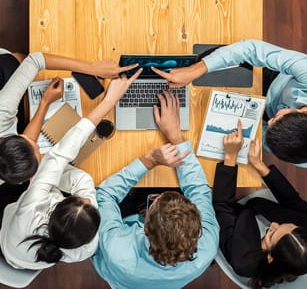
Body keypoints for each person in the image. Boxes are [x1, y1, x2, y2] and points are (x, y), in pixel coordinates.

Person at [0, 69, 143, 270]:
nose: (89, 200)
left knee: (13, 160)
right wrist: (56, 177)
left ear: (56, 208)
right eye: (89, 204)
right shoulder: (86, 246)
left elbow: (59, 155)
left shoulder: (33, 206)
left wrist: (108, 102)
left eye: (80, 201)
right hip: (24, 253)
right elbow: (83, 182)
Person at [0, 51, 137, 194]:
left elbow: (35, 59)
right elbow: (28, 145)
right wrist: (44, 103)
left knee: (18, 59)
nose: (37, 144)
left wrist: (94, 68)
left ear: (14, 138)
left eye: (33, 145)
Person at [91, 91, 220, 289]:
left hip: (118, 263)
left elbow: (104, 194)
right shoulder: (208, 243)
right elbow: (199, 191)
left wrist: (150, 160)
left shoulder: (117, 249)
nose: (157, 196)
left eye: (157, 201)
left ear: (145, 224)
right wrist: (175, 136)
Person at [152, 39, 307, 167]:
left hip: (251, 111)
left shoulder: (305, 157)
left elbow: (263, 135)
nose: (268, 122)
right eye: (277, 118)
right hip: (274, 81)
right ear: (303, 111)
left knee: (198, 120)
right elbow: (251, 48)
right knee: (204, 60)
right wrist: (197, 70)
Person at [212, 120, 307, 288]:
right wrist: (259, 165)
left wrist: (230, 158)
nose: (273, 224)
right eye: (286, 225)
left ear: (270, 257)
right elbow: (291, 199)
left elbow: (221, 206)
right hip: (256, 205)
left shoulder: (244, 261)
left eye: (272, 233)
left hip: (230, 216)